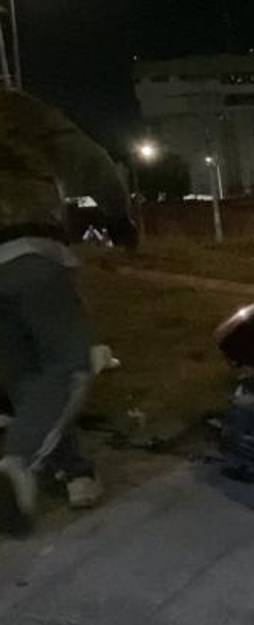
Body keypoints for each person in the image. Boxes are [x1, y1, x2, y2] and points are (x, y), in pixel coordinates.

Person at [0, 88, 133, 535]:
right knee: (71, 361)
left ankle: (73, 470)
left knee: (24, 375)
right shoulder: (15, 106)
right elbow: (88, 159)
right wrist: (118, 216)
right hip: (27, 247)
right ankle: (17, 465)